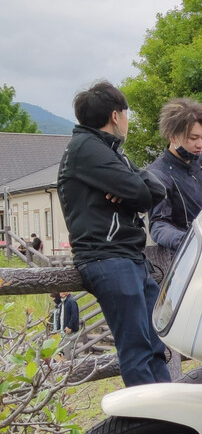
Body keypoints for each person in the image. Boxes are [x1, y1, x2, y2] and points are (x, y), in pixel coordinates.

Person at [56, 80, 171, 386]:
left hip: (129, 257)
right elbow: (142, 193)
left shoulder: (108, 150)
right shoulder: (87, 149)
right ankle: (146, 415)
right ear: (116, 115)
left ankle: (168, 412)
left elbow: (156, 189)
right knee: (137, 349)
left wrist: (130, 188)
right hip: (107, 257)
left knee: (156, 344)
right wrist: (132, 189)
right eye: (126, 113)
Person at [146, 98, 202, 253]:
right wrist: (188, 241)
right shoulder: (158, 174)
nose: (200, 145)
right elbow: (158, 225)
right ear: (172, 137)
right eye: (193, 138)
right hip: (186, 253)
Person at [52, 290, 80, 359]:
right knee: (62, 349)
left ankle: (76, 360)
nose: (61, 293)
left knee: (70, 349)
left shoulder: (71, 301)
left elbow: (74, 315)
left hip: (69, 330)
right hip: (63, 329)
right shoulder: (64, 301)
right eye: (60, 291)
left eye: (63, 291)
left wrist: (70, 326)